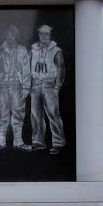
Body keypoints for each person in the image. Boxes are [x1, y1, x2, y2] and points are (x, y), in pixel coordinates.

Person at [0, 23, 31, 152]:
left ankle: (18, 142)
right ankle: (1, 141)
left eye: (13, 34)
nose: (10, 37)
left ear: (16, 36)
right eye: (8, 34)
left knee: (18, 114)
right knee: (2, 114)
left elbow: (26, 70)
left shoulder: (22, 51)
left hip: (17, 87)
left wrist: (25, 87)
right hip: (2, 87)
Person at [28, 24, 66, 154]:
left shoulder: (56, 51)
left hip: (49, 84)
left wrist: (57, 87)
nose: (44, 36)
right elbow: (27, 66)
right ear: (39, 35)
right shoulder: (33, 50)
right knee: (35, 114)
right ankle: (38, 141)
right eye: (41, 34)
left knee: (53, 113)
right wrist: (28, 85)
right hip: (35, 84)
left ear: (50, 35)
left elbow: (61, 69)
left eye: (46, 34)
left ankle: (58, 142)